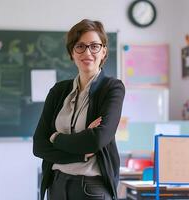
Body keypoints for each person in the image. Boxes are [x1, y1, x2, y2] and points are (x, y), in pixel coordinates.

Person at [33, 19, 125, 200]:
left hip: (91, 188)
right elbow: (39, 145)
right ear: (72, 53)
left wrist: (56, 137)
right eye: (80, 46)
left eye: (94, 46)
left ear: (104, 51)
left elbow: (97, 140)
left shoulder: (112, 88)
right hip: (56, 185)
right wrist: (81, 154)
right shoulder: (59, 91)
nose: (87, 52)